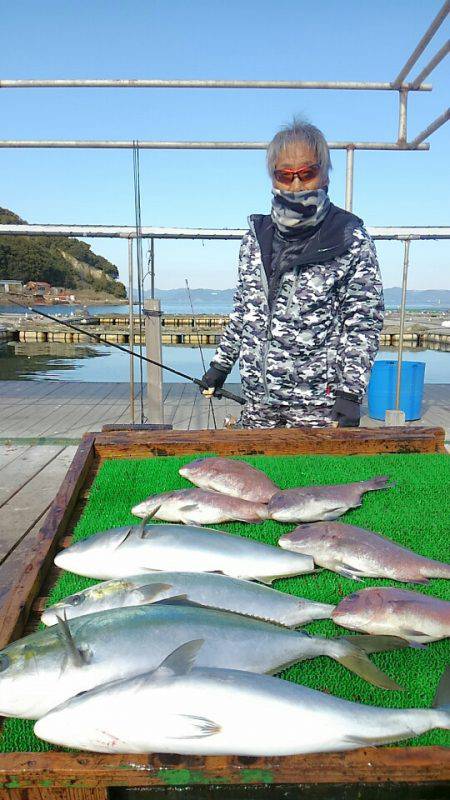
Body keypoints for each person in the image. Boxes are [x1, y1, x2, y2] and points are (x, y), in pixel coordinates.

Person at [200, 117, 384, 428]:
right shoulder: (254, 239)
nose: (296, 185)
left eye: (306, 173)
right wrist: (220, 365)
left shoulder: (349, 239)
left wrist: (351, 394)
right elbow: (245, 311)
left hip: (318, 409)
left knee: (314, 477)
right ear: (274, 179)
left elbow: (363, 323)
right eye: (285, 175)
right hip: (258, 401)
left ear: (324, 175)